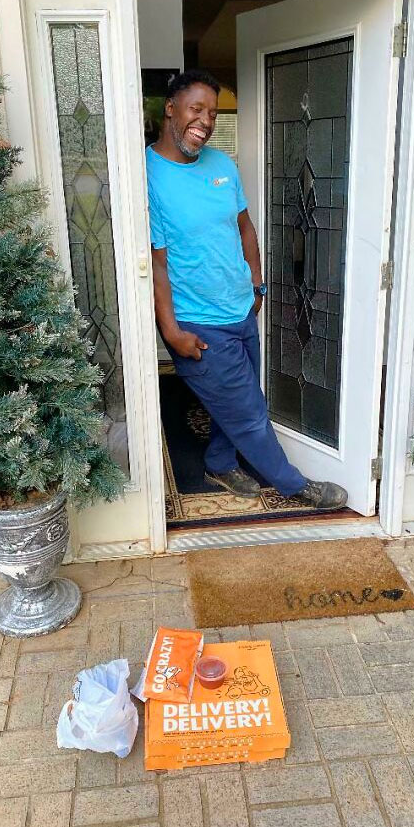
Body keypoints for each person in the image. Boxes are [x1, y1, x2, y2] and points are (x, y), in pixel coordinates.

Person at [146, 69, 347, 510]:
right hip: (198, 323)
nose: (206, 121)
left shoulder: (222, 165)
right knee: (250, 414)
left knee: (238, 401)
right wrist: (172, 332)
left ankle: (219, 462)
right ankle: (297, 486)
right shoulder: (148, 175)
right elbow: (155, 264)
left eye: (213, 113)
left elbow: (245, 228)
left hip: (240, 310)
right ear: (171, 109)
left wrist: (257, 285)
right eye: (197, 109)